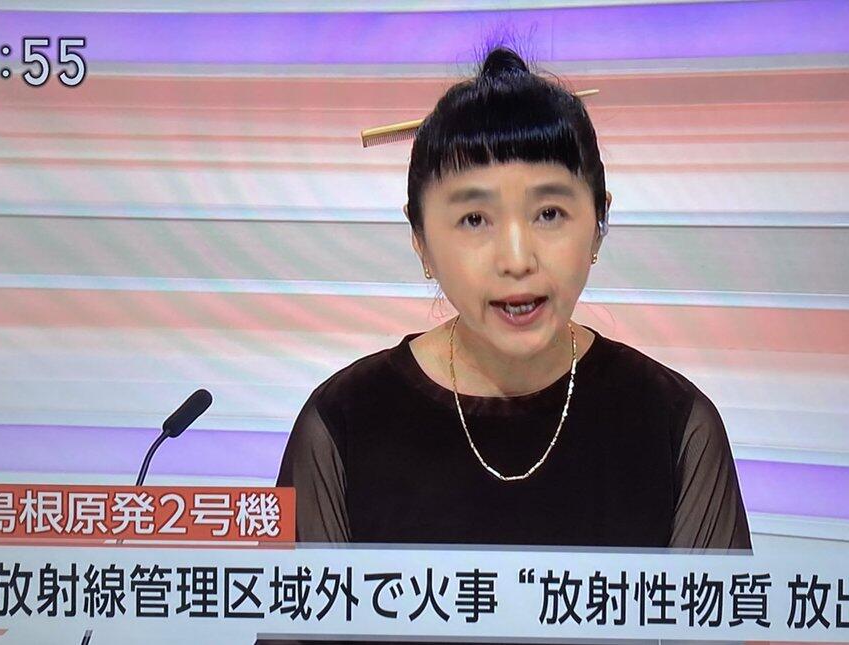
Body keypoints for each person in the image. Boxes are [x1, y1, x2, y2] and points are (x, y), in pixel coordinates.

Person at [276, 46, 751, 551]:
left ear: (599, 221)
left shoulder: (676, 426)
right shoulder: (340, 424)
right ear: (421, 240)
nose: (517, 260)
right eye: (474, 220)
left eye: (549, 213)